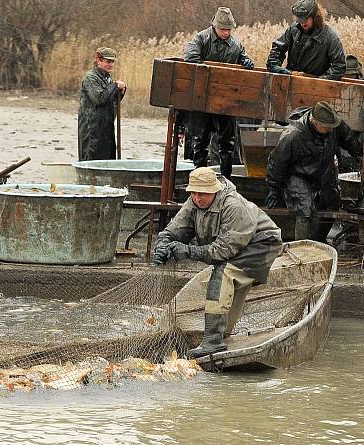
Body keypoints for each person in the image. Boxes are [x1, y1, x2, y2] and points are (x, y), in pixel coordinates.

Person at [154, 167, 283, 358]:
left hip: (262, 244)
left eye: (203, 194)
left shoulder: (232, 206)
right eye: (194, 193)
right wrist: (162, 246)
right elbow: (174, 230)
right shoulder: (194, 203)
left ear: (214, 190)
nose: (198, 198)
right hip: (235, 245)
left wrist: (188, 251)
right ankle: (223, 335)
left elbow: (223, 250)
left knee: (223, 274)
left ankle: (213, 341)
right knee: (232, 286)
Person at [266, 102, 359, 240]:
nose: (331, 130)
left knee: (333, 202)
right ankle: (303, 248)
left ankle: (319, 241)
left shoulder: (334, 123)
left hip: (324, 171)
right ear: (316, 123)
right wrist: (273, 188)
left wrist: (358, 154)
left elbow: (349, 140)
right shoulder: (293, 135)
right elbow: (277, 163)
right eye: (327, 128)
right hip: (298, 175)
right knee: (305, 208)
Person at [182, 7, 253, 179]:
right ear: (215, 26)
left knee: (227, 142)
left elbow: (242, 56)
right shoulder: (201, 38)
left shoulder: (235, 45)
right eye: (223, 29)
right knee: (200, 140)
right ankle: (199, 177)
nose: (226, 32)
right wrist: (208, 72)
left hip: (225, 100)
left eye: (228, 29)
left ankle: (226, 178)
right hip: (203, 99)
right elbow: (190, 57)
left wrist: (245, 60)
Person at [266, 0, 345, 80]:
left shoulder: (330, 36)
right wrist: (278, 69)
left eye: (305, 20)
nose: (302, 24)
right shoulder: (293, 30)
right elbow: (277, 49)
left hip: (315, 86)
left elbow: (339, 66)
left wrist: (319, 82)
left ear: (315, 17)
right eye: (300, 20)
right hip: (290, 81)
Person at [78, 47, 126, 161]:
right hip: (92, 126)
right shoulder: (90, 78)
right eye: (108, 61)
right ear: (98, 61)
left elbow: (112, 101)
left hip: (106, 125)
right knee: (92, 159)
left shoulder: (108, 78)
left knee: (108, 158)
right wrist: (115, 86)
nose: (111, 65)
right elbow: (99, 98)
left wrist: (121, 91)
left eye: (112, 62)